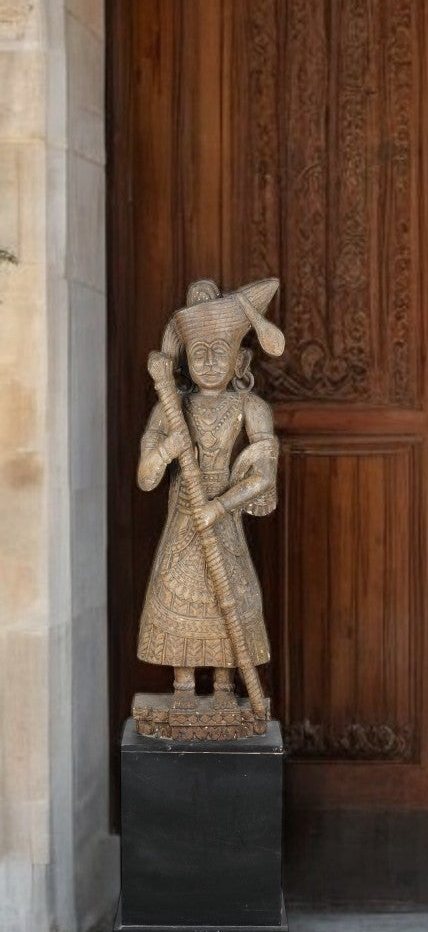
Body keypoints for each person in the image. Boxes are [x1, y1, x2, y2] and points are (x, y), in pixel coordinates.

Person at [137, 277, 284, 704]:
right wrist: (168, 447)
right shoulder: (171, 408)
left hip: (222, 519)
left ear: (241, 362)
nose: (208, 362)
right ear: (183, 361)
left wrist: (220, 507)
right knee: (177, 592)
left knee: (230, 600)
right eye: (198, 353)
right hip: (184, 520)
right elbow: (146, 477)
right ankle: (183, 686)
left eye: (219, 352)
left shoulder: (251, 409)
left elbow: (263, 477)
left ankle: (223, 687)